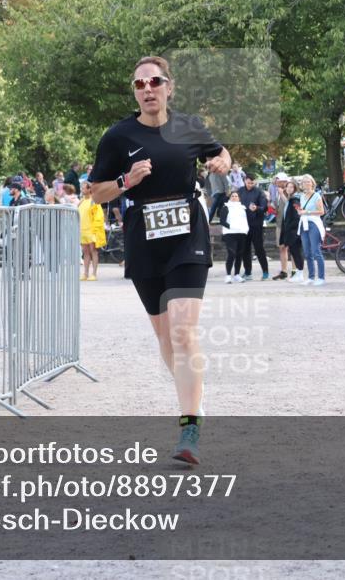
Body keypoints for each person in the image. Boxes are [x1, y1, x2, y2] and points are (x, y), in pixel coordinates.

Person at [88, 55, 231, 465]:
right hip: (144, 236)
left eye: (155, 82)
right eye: (139, 84)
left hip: (188, 233)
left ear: (169, 87)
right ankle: (194, 397)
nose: (147, 89)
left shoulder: (188, 126)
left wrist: (224, 160)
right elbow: (95, 192)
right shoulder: (117, 136)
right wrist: (125, 181)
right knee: (166, 337)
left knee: (185, 331)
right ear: (134, 92)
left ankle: (189, 425)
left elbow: (220, 154)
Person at [238, 174, 269, 281]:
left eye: (252, 183)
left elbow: (265, 207)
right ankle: (247, 272)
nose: (250, 184)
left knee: (259, 249)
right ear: (244, 181)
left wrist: (257, 208)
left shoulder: (259, 192)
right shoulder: (240, 191)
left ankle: (265, 271)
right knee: (245, 249)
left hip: (256, 225)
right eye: (248, 182)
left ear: (255, 182)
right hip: (243, 225)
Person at [297, 174, 325, 286]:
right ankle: (311, 277)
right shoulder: (302, 196)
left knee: (316, 251)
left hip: (314, 223)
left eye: (308, 182)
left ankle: (321, 277)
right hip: (304, 223)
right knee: (307, 252)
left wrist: (307, 212)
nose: (306, 184)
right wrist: (301, 212)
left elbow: (321, 212)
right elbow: (303, 210)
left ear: (312, 183)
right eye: (304, 182)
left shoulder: (317, 196)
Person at [219, 190, 249, 283]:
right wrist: (232, 227)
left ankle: (237, 274)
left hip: (241, 234)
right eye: (232, 196)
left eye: (236, 196)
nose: (234, 197)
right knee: (231, 254)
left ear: (239, 198)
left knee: (239, 255)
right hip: (230, 234)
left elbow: (245, 220)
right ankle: (228, 275)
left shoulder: (243, 208)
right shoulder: (226, 207)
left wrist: (245, 229)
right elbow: (222, 221)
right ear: (230, 198)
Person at [279, 180, 305, 283]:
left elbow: (296, 216)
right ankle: (298, 273)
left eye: (291, 187)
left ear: (295, 189)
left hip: (294, 231)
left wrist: (290, 227)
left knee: (297, 252)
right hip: (290, 230)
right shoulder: (291, 199)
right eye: (288, 187)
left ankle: (300, 274)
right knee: (294, 252)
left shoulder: (295, 200)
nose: (289, 189)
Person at [271, 173, 291, 279]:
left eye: (278, 181)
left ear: (284, 181)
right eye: (276, 182)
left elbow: (290, 204)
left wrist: (282, 194)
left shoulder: (289, 190)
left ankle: (295, 270)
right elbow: (278, 206)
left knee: (292, 247)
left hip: (288, 223)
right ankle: (283, 271)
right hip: (279, 222)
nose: (276, 183)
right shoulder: (278, 191)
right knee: (282, 247)